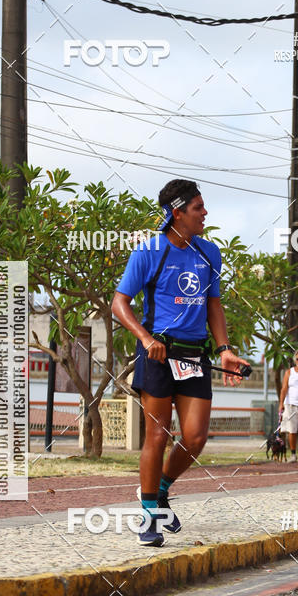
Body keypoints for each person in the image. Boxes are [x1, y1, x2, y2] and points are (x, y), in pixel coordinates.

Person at [111, 179, 249, 546]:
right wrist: (145, 338)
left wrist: (224, 349)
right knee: (157, 434)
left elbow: (213, 305)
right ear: (178, 213)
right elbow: (119, 303)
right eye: (198, 208)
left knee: (195, 436)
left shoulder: (209, 253)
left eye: (204, 207)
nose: (205, 213)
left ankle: (160, 488)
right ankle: (148, 516)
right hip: (157, 354)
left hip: (194, 356)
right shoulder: (149, 252)